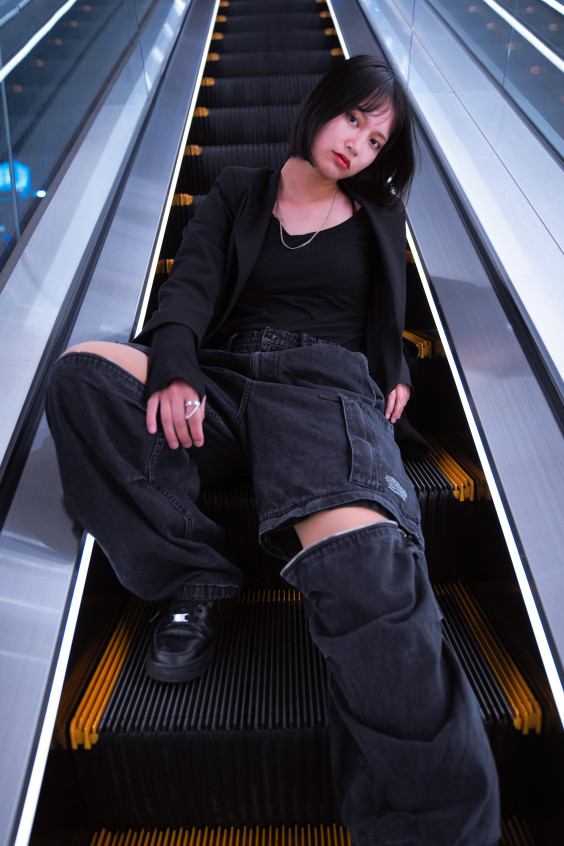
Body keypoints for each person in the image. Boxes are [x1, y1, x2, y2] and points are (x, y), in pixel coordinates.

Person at [46, 55, 501, 846]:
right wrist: (175, 366)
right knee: (79, 375)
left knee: (369, 572)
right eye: (354, 119)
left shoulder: (377, 212)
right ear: (322, 104)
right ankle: (195, 573)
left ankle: (436, 828)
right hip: (222, 380)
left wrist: (394, 370)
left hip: (322, 390)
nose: (359, 144)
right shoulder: (238, 191)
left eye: (378, 140)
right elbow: (190, 284)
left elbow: (385, 315)